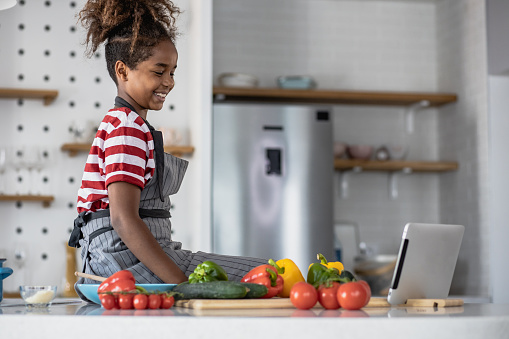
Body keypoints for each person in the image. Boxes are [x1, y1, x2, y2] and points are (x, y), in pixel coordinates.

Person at [68, 0, 267, 298]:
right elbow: (123, 219)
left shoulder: (129, 124)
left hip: (126, 261)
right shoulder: (127, 127)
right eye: (159, 71)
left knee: (264, 276)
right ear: (122, 71)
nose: (169, 82)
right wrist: (183, 285)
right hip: (122, 266)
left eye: (173, 72)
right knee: (266, 276)